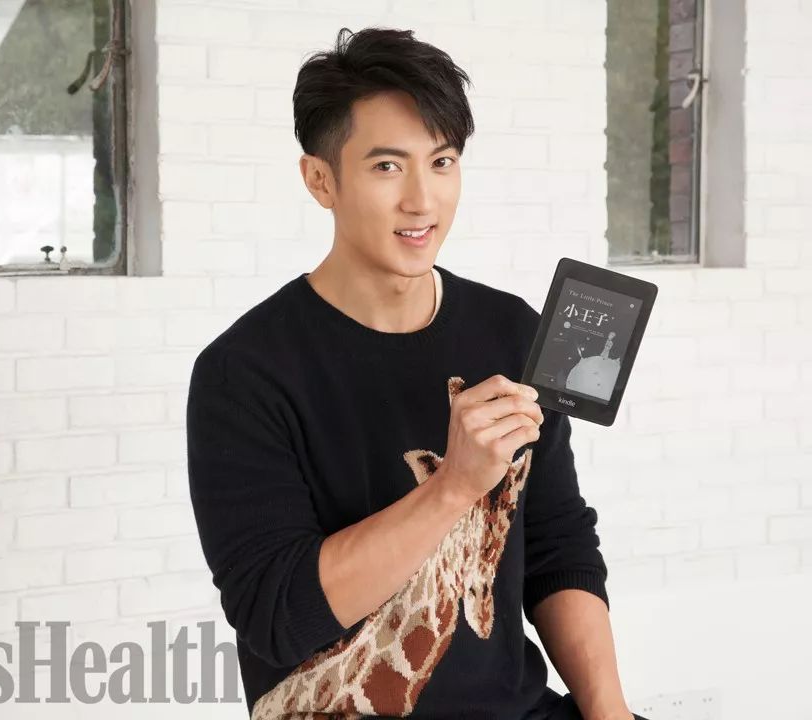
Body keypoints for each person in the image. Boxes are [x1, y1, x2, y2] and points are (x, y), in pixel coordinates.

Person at [186, 26, 647, 720]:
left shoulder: (511, 331)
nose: (422, 201)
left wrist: (610, 713)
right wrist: (454, 486)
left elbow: (558, 545)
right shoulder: (243, 374)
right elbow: (277, 615)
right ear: (320, 180)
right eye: (386, 166)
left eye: (442, 162)